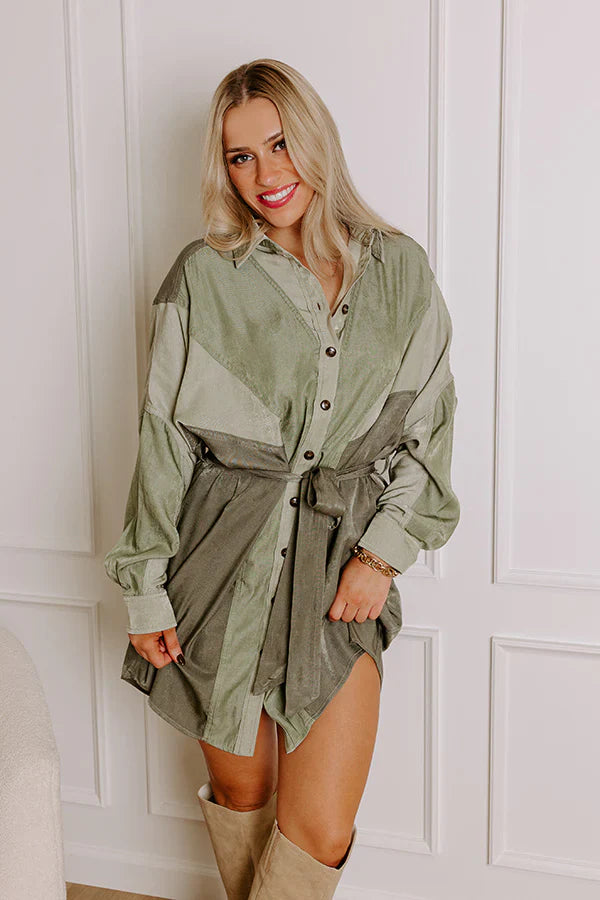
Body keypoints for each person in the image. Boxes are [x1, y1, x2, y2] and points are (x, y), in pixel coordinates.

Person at [103, 58, 460, 899]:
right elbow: (163, 443)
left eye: (279, 144)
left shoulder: (400, 272)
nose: (265, 174)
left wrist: (379, 557)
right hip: (217, 569)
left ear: (315, 140)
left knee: (319, 829)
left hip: (339, 576)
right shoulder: (202, 277)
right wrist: (146, 591)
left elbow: (430, 430)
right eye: (240, 156)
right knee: (243, 796)